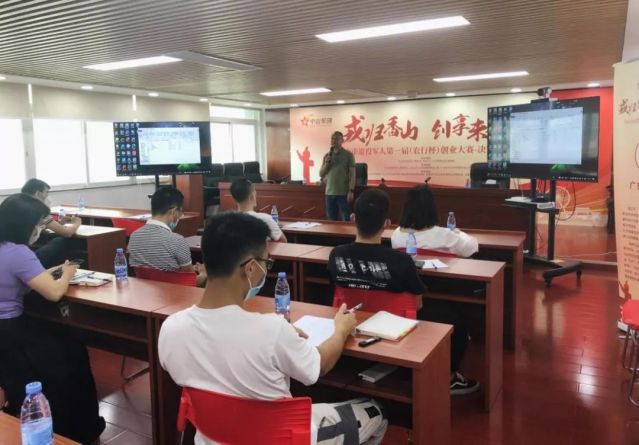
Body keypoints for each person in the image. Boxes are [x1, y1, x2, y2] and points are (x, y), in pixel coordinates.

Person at [158, 212, 387, 445]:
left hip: (213, 437)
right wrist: (341, 329)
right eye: (266, 263)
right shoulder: (272, 330)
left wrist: (281, 337)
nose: (266, 269)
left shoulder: (171, 328)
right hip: (282, 438)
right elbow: (319, 366)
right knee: (376, 411)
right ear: (250, 268)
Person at [328, 189, 479, 395]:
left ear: (353, 218)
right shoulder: (401, 261)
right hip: (396, 323)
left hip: (353, 317)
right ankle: (450, 377)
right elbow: (417, 304)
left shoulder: (336, 254)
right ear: (387, 224)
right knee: (455, 318)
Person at [0, 193, 105, 444]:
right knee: (74, 352)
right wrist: (67, 273)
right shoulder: (19, 252)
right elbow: (55, 293)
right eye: (37, 224)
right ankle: (79, 430)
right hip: (11, 331)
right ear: (23, 224)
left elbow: (18, 279)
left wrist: (44, 273)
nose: (38, 230)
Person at [128, 186, 206, 286]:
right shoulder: (177, 241)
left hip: (144, 292)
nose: (180, 216)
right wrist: (204, 274)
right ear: (174, 212)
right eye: (181, 212)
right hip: (174, 294)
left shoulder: (134, 236)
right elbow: (191, 280)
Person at [391, 185, 479, 258]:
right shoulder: (444, 235)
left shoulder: (396, 234)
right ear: (431, 209)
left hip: (409, 274)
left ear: (406, 209)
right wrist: (459, 234)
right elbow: (471, 248)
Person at [21, 178, 82, 268]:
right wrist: (76, 223)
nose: (47, 196)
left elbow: (35, 227)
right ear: (38, 193)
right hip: (25, 260)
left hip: (8, 255)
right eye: (46, 192)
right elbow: (67, 233)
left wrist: (59, 224)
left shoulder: (14, 204)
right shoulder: (37, 208)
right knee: (60, 241)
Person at [229, 178, 287, 242]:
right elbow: (283, 241)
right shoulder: (265, 219)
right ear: (252, 196)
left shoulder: (228, 221)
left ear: (234, 199)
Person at [319, 131, 356, 221]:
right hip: (329, 193)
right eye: (332, 138)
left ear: (342, 140)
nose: (333, 141)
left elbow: (352, 174)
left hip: (343, 193)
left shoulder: (348, 155)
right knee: (331, 220)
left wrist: (351, 190)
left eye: (336, 139)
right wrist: (327, 163)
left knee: (345, 219)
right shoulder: (327, 155)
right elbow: (321, 174)